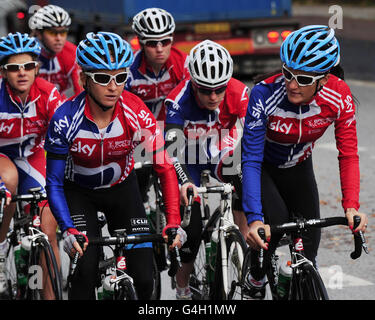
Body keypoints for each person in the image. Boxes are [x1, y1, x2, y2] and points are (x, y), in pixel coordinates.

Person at [44, 31, 186, 300]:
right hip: (79, 194)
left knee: (145, 277)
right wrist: (67, 228)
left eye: (120, 77)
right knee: (84, 273)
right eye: (102, 78)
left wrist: (173, 222)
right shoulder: (65, 119)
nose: (113, 86)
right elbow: (53, 182)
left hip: (123, 190)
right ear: (84, 79)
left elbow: (164, 167)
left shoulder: (135, 110)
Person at [241, 25, 368, 298]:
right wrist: (253, 219)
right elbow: (250, 159)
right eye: (287, 73)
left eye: (303, 78)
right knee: (270, 226)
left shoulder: (339, 96)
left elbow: (348, 154)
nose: (291, 84)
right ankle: (256, 275)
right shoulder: (263, 95)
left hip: (299, 168)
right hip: (263, 168)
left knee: (309, 252)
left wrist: (351, 205)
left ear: (323, 79)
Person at [164, 40, 249, 299]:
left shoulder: (238, 92)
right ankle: (182, 288)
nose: (213, 96)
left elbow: (256, 138)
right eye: (205, 90)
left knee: (245, 183)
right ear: (193, 84)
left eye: (219, 89)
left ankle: (243, 245)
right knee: (190, 228)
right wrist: (183, 183)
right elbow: (171, 152)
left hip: (222, 151)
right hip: (188, 158)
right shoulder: (177, 100)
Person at [0, 32, 63, 299]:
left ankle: (50, 295)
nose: (22, 73)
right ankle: (1, 245)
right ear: (3, 72)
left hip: (33, 157)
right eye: (14, 68)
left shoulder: (48, 94)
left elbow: (65, 138)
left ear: (37, 68)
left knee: (47, 231)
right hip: (2, 157)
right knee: (10, 181)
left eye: (28, 66)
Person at [126, 7, 190, 212]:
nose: (160, 48)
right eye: (153, 43)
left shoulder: (183, 63)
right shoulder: (129, 69)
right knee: (139, 172)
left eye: (166, 41)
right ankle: (142, 199)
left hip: (173, 128)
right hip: (141, 132)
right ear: (141, 43)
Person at [29, 4, 82, 99]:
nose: (59, 38)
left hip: (57, 103)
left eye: (63, 32)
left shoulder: (71, 53)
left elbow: (80, 91)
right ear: (39, 33)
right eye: (52, 32)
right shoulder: (27, 54)